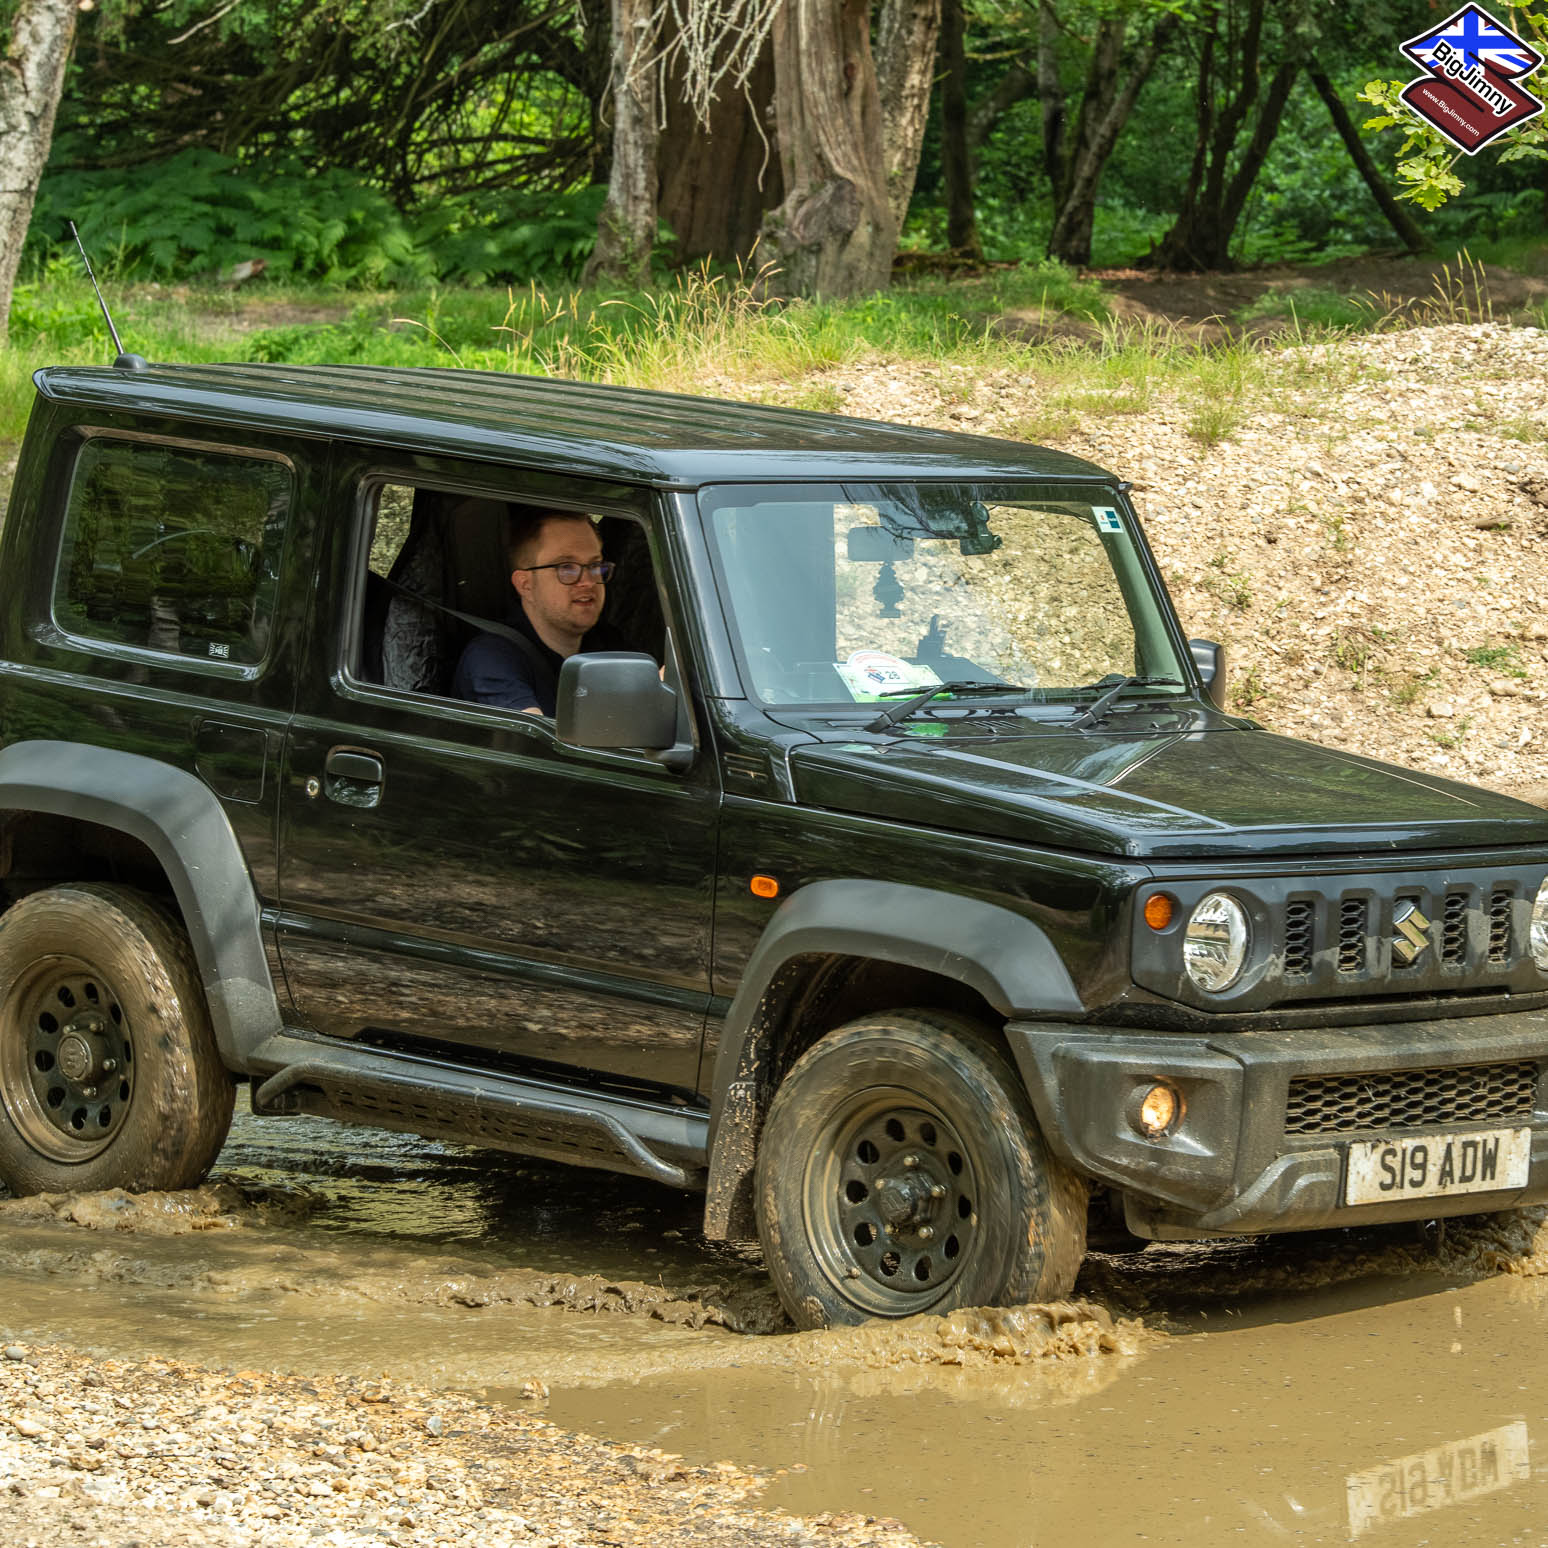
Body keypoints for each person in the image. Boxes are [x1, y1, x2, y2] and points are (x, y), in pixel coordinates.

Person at [452, 510, 627, 716]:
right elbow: (531, 733)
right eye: (566, 568)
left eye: (594, 565)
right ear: (525, 585)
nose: (588, 581)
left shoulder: (607, 641)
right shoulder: (492, 658)